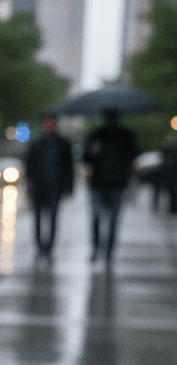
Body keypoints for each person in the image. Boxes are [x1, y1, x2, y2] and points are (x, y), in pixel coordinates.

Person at [83, 109, 139, 263]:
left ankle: (108, 253)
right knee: (96, 218)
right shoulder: (96, 135)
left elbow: (133, 157)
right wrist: (92, 151)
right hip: (98, 184)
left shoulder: (127, 136)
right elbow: (86, 158)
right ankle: (96, 248)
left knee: (114, 221)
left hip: (118, 183)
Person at [25, 109, 74, 257]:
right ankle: (40, 247)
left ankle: (49, 247)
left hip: (55, 186)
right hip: (39, 186)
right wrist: (29, 185)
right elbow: (30, 165)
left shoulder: (63, 144)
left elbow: (68, 167)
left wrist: (68, 187)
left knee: (53, 218)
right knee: (38, 219)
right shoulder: (35, 143)